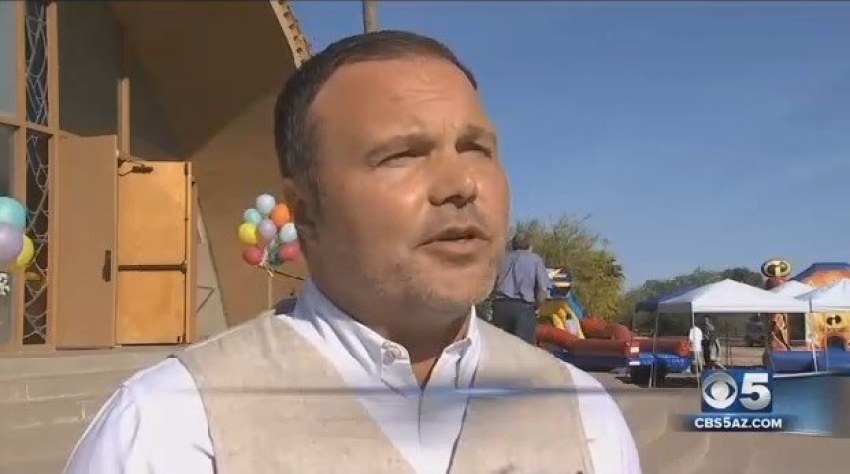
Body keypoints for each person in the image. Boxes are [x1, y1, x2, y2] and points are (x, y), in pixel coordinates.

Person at [64, 31, 640, 474]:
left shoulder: (581, 412)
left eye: (476, 147)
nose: (461, 183)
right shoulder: (173, 426)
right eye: (403, 155)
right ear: (306, 209)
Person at [490, 232, 551, 344]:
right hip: (524, 308)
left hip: (500, 306)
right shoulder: (535, 260)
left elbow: (491, 282)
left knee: (500, 348)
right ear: (529, 245)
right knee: (523, 351)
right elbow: (543, 291)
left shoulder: (503, 259)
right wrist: (536, 307)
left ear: (513, 245)